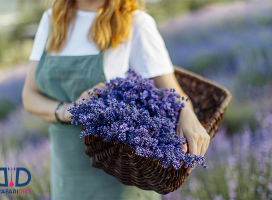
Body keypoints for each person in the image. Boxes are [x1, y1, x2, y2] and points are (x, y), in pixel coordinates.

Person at [22, 0, 210, 199]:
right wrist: (70, 111)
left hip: (120, 181)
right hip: (66, 175)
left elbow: (173, 95)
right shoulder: (52, 19)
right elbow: (29, 95)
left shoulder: (135, 22)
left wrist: (188, 115)